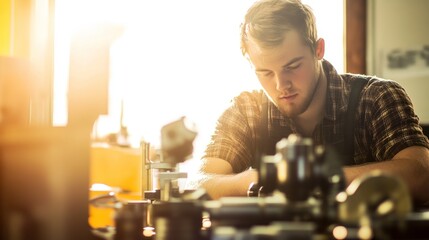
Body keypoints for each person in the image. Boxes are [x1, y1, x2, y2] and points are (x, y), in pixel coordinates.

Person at [195, 0, 429, 204]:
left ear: (319, 49)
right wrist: (263, 178)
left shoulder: (377, 97)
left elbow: (421, 175)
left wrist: (315, 179)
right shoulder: (246, 110)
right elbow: (201, 182)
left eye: (293, 66)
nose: (280, 85)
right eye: (265, 72)